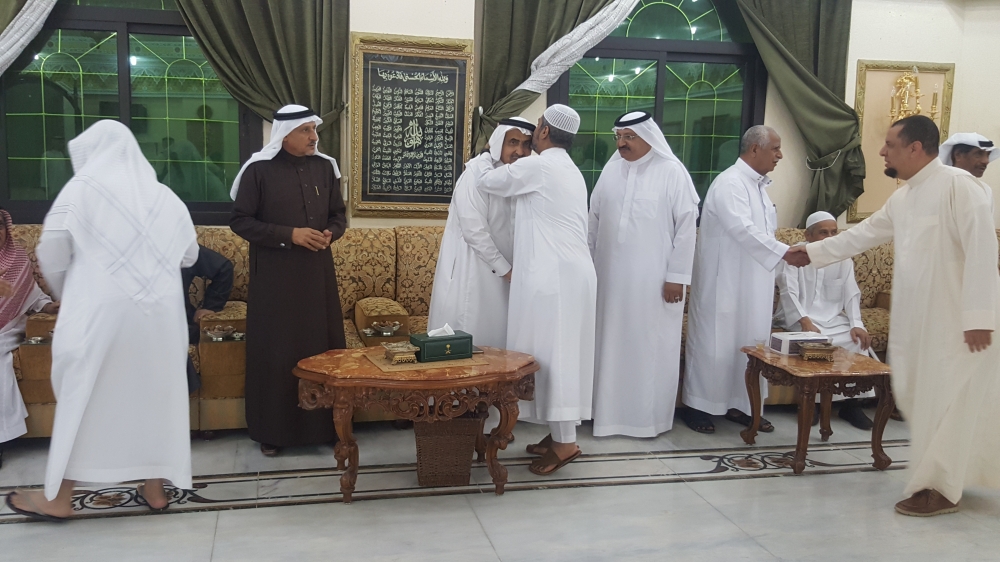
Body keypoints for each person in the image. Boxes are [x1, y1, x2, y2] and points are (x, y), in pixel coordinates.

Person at [788, 115, 1000, 516]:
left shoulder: (960, 186)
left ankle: (939, 487)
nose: (883, 152)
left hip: (960, 322)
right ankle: (952, 475)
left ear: (915, 148)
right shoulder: (903, 199)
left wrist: (979, 317)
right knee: (924, 398)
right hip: (920, 320)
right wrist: (811, 253)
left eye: (890, 145)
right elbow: (862, 234)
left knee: (948, 400)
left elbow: (983, 251)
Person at [5, 120, 199, 520]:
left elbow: (52, 250)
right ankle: (155, 489)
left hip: (99, 314)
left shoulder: (82, 188)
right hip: (160, 318)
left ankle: (60, 498)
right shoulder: (164, 197)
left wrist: (71, 292)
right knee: (154, 395)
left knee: (85, 396)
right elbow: (189, 255)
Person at [479, 104, 597, 475]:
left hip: (555, 279)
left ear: (543, 131)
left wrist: (485, 156)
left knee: (556, 357)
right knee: (559, 356)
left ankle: (565, 444)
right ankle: (558, 432)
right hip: (569, 276)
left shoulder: (539, 167)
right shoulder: (569, 169)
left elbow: (489, 181)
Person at [230, 104, 347, 457]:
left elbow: (338, 215)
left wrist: (331, 232)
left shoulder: (325, 168)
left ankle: (327, 426)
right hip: (275, 281)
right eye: (305, 130)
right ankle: (273, 431)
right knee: (277, 352)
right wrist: (289, 235)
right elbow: (241, 221)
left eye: (314, 130)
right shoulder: (258, 170)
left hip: (316, 278)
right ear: (284, 135)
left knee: (321, 350)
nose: (314, 137)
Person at [682, 125, 808, 434]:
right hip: (724, 281)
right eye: (775, 149)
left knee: (751, 343)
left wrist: (780, 257)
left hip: (755, 283)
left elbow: (763, 234)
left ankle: (741, 405)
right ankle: (698, 407)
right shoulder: (730, 183)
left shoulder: (759, 188)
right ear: (755, 149)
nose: (780, 155)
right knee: (715, 343)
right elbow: (742, 228)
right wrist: (784, 252)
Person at [588, 111, 699, 438]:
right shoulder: (611, 170)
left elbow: (686, 229)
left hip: (655, 282)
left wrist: (677, 276)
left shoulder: (672, 172)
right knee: (609, 346)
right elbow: (593, 220)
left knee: (649, 347)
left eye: (629, 137)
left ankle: (645, 420)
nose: (621, 143)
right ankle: (604, 415)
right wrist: (588, 267)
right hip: (609, 280)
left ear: (648, 137)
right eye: (619, 137)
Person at [428, 117, 534, 347]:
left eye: (526, 144)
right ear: (499, 142)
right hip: (475, 272)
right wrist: (507, 271)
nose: (520, 151)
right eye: (513, 142)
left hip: (510, 276)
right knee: (472, 337)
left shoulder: (522, 177)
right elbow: (474, 231)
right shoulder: (475, 173)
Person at [773, 211, 876, 430]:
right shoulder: (795, 255)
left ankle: (851, 404)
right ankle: (812, 404)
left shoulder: (843, 257)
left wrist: (857, 324)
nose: (829, 237)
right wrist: (805, 321)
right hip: (798, 318)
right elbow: (789, 292)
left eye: (833, 232)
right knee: (815, 342)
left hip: (832, 319)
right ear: (808, 235)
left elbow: (851, 293)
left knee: (856, 341)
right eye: (823, 233)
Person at [0, 210, 60, 458]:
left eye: (0, 226)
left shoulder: (17, 259)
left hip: (9, 326)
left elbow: (32, 296)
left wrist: (48, 306)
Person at [181, 245, 234, 392]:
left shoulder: (176, 245)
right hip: (130, 326)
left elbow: (223, 268)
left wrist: (211, 305)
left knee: (230, 336)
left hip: (177, 324)